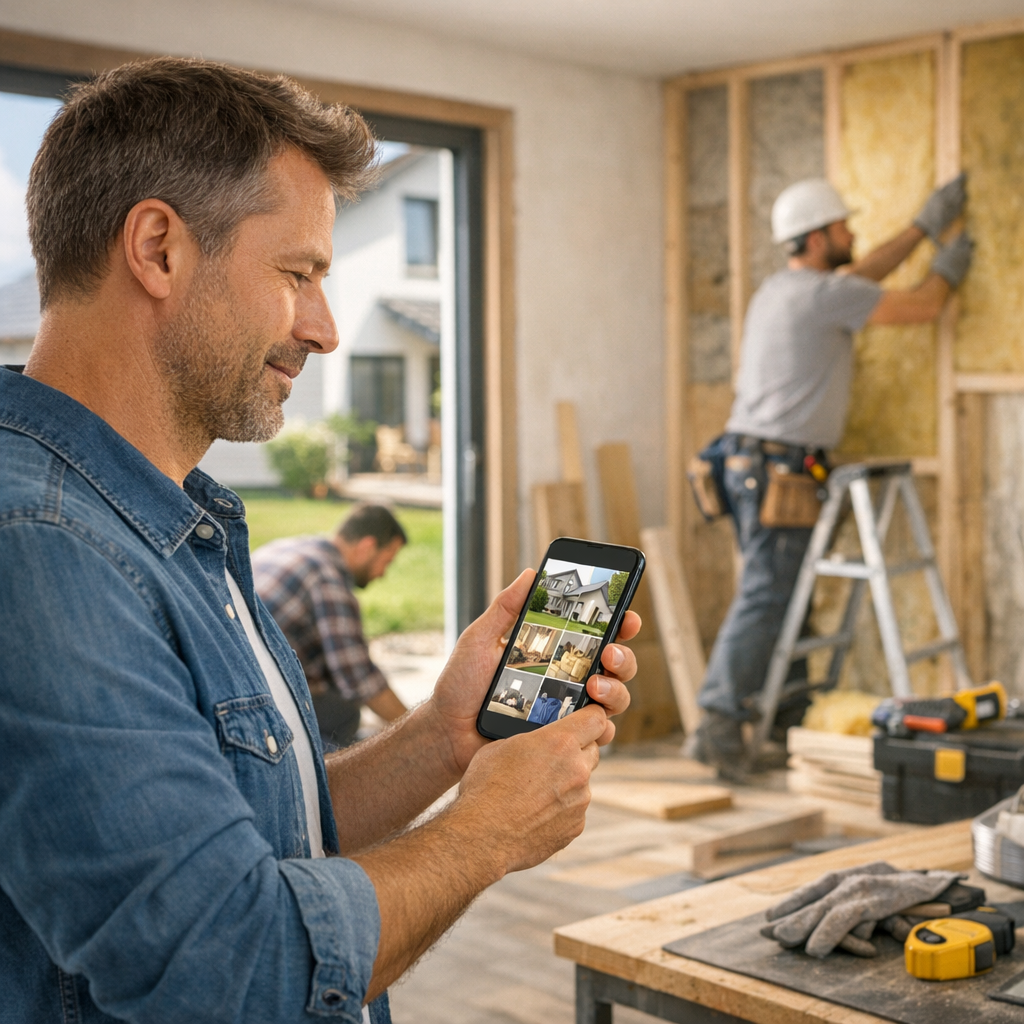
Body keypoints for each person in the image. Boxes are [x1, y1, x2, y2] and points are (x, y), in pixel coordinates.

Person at [0, 58, 639, 1024]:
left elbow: (256, 841)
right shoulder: (46, 549)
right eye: (297, 274)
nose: (326, 328)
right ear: (159, 250)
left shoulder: (163, 521)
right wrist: (489, 831)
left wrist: (439, 740)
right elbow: (226, 965)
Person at [685, 176, 973, 777]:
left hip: (752, 464)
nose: (852, 234)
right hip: (777, 469)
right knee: (769, 595)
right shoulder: (822, 296)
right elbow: (923, 306)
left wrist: (921, 227)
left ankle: (783, 719)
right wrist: (948, 264)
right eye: (842, 227)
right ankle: (716, 724)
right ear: (817, 239)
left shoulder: (787, 289)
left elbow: (856, 279)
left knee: (786, 596)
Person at [253, 503, 410, 750]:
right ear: (367, 547)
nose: (382, 574)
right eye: (386, 561)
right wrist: (416, 729)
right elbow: (360, 680)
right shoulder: (328, 579)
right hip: (259, 699)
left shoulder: (288, 547)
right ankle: (319, 772)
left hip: (232, 673)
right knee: (344, 713)